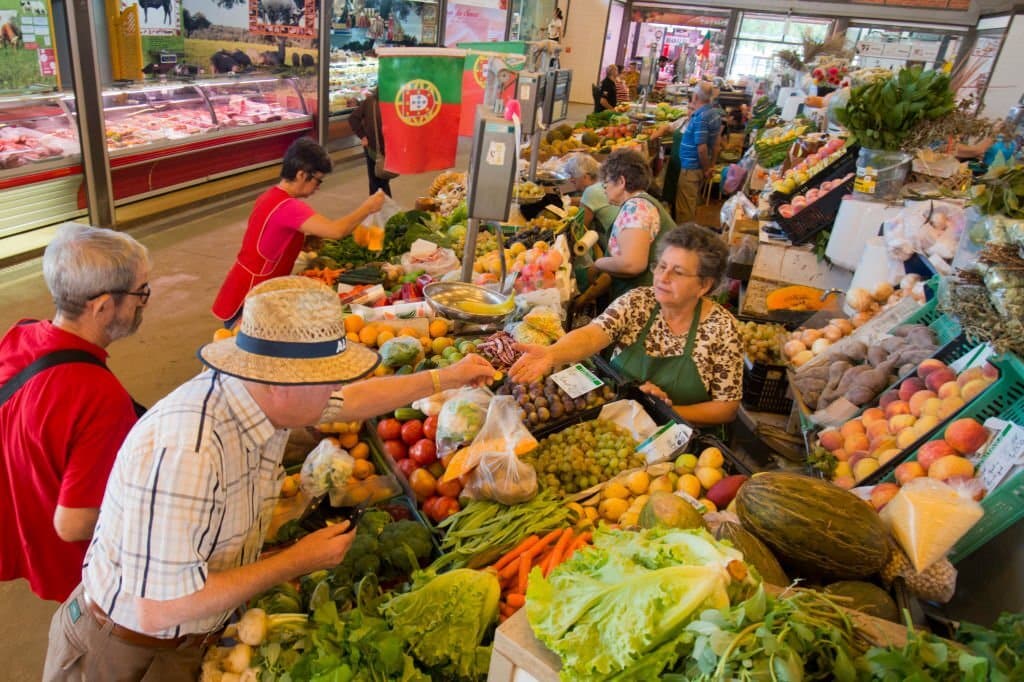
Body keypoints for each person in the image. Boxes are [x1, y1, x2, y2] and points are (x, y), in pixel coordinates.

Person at [43, 276, 496, 681]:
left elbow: (354, 399)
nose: (333, 392)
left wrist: (445, 377)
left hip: (181, 638)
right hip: (126, 651)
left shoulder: (258, 398)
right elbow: (160, 606)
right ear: (284, 382)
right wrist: (296, 560)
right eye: (327, 380)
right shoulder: (191, 451)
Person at [0, 223, 150, 603]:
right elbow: (74, 523)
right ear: (102, 306)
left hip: (22, 522)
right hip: (74, 569)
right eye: (140, 292)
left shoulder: (23, 334)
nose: (143, 302)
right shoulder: (98, 397)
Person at [510, 224, 742, 426]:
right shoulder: (638, 302)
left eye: (677, 272)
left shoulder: (722, 330)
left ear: (704, 285)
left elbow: (726, 407)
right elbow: (592, 336)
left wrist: (662, 410)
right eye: (661, 266)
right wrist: (552, 354)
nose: (663, 277)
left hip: (683, 435)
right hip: (620, 421)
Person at [212, 137, 387, 325]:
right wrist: (367, 207)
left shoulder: (270, 196)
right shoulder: (289, 207)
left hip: (247, 289)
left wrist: (301, 242)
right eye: (318, 181)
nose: (318, 188)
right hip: (250, 299)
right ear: (302, 175)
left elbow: (267, 240)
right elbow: (337, 231)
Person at [593, 148, 676, 299]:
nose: (604, 189)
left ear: (621, 182)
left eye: (606, 183)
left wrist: (598, 263)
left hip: (646, 300)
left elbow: (632, 264)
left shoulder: (635, 208)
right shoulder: (642, 202)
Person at [673, 81, 716, 223]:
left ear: (696, 96)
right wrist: (710, 166)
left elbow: (702, 147)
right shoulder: (713, 113)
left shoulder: (701, 117)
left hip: (691, 168)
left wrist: (706, 169)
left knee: (685, 209)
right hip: (699, 167)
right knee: (691, 203)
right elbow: (716, 143)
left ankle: (684, 241)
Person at [348, 87, 393, 197]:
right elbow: (353, 118)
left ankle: (380, 208)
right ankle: (382, 208)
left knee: (378, 181)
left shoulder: (370, 101)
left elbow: (353, 118)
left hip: (375, 147)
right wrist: (363, 136)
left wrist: (363, 136)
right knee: (380, 181)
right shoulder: (390, 103)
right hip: (380, 148)